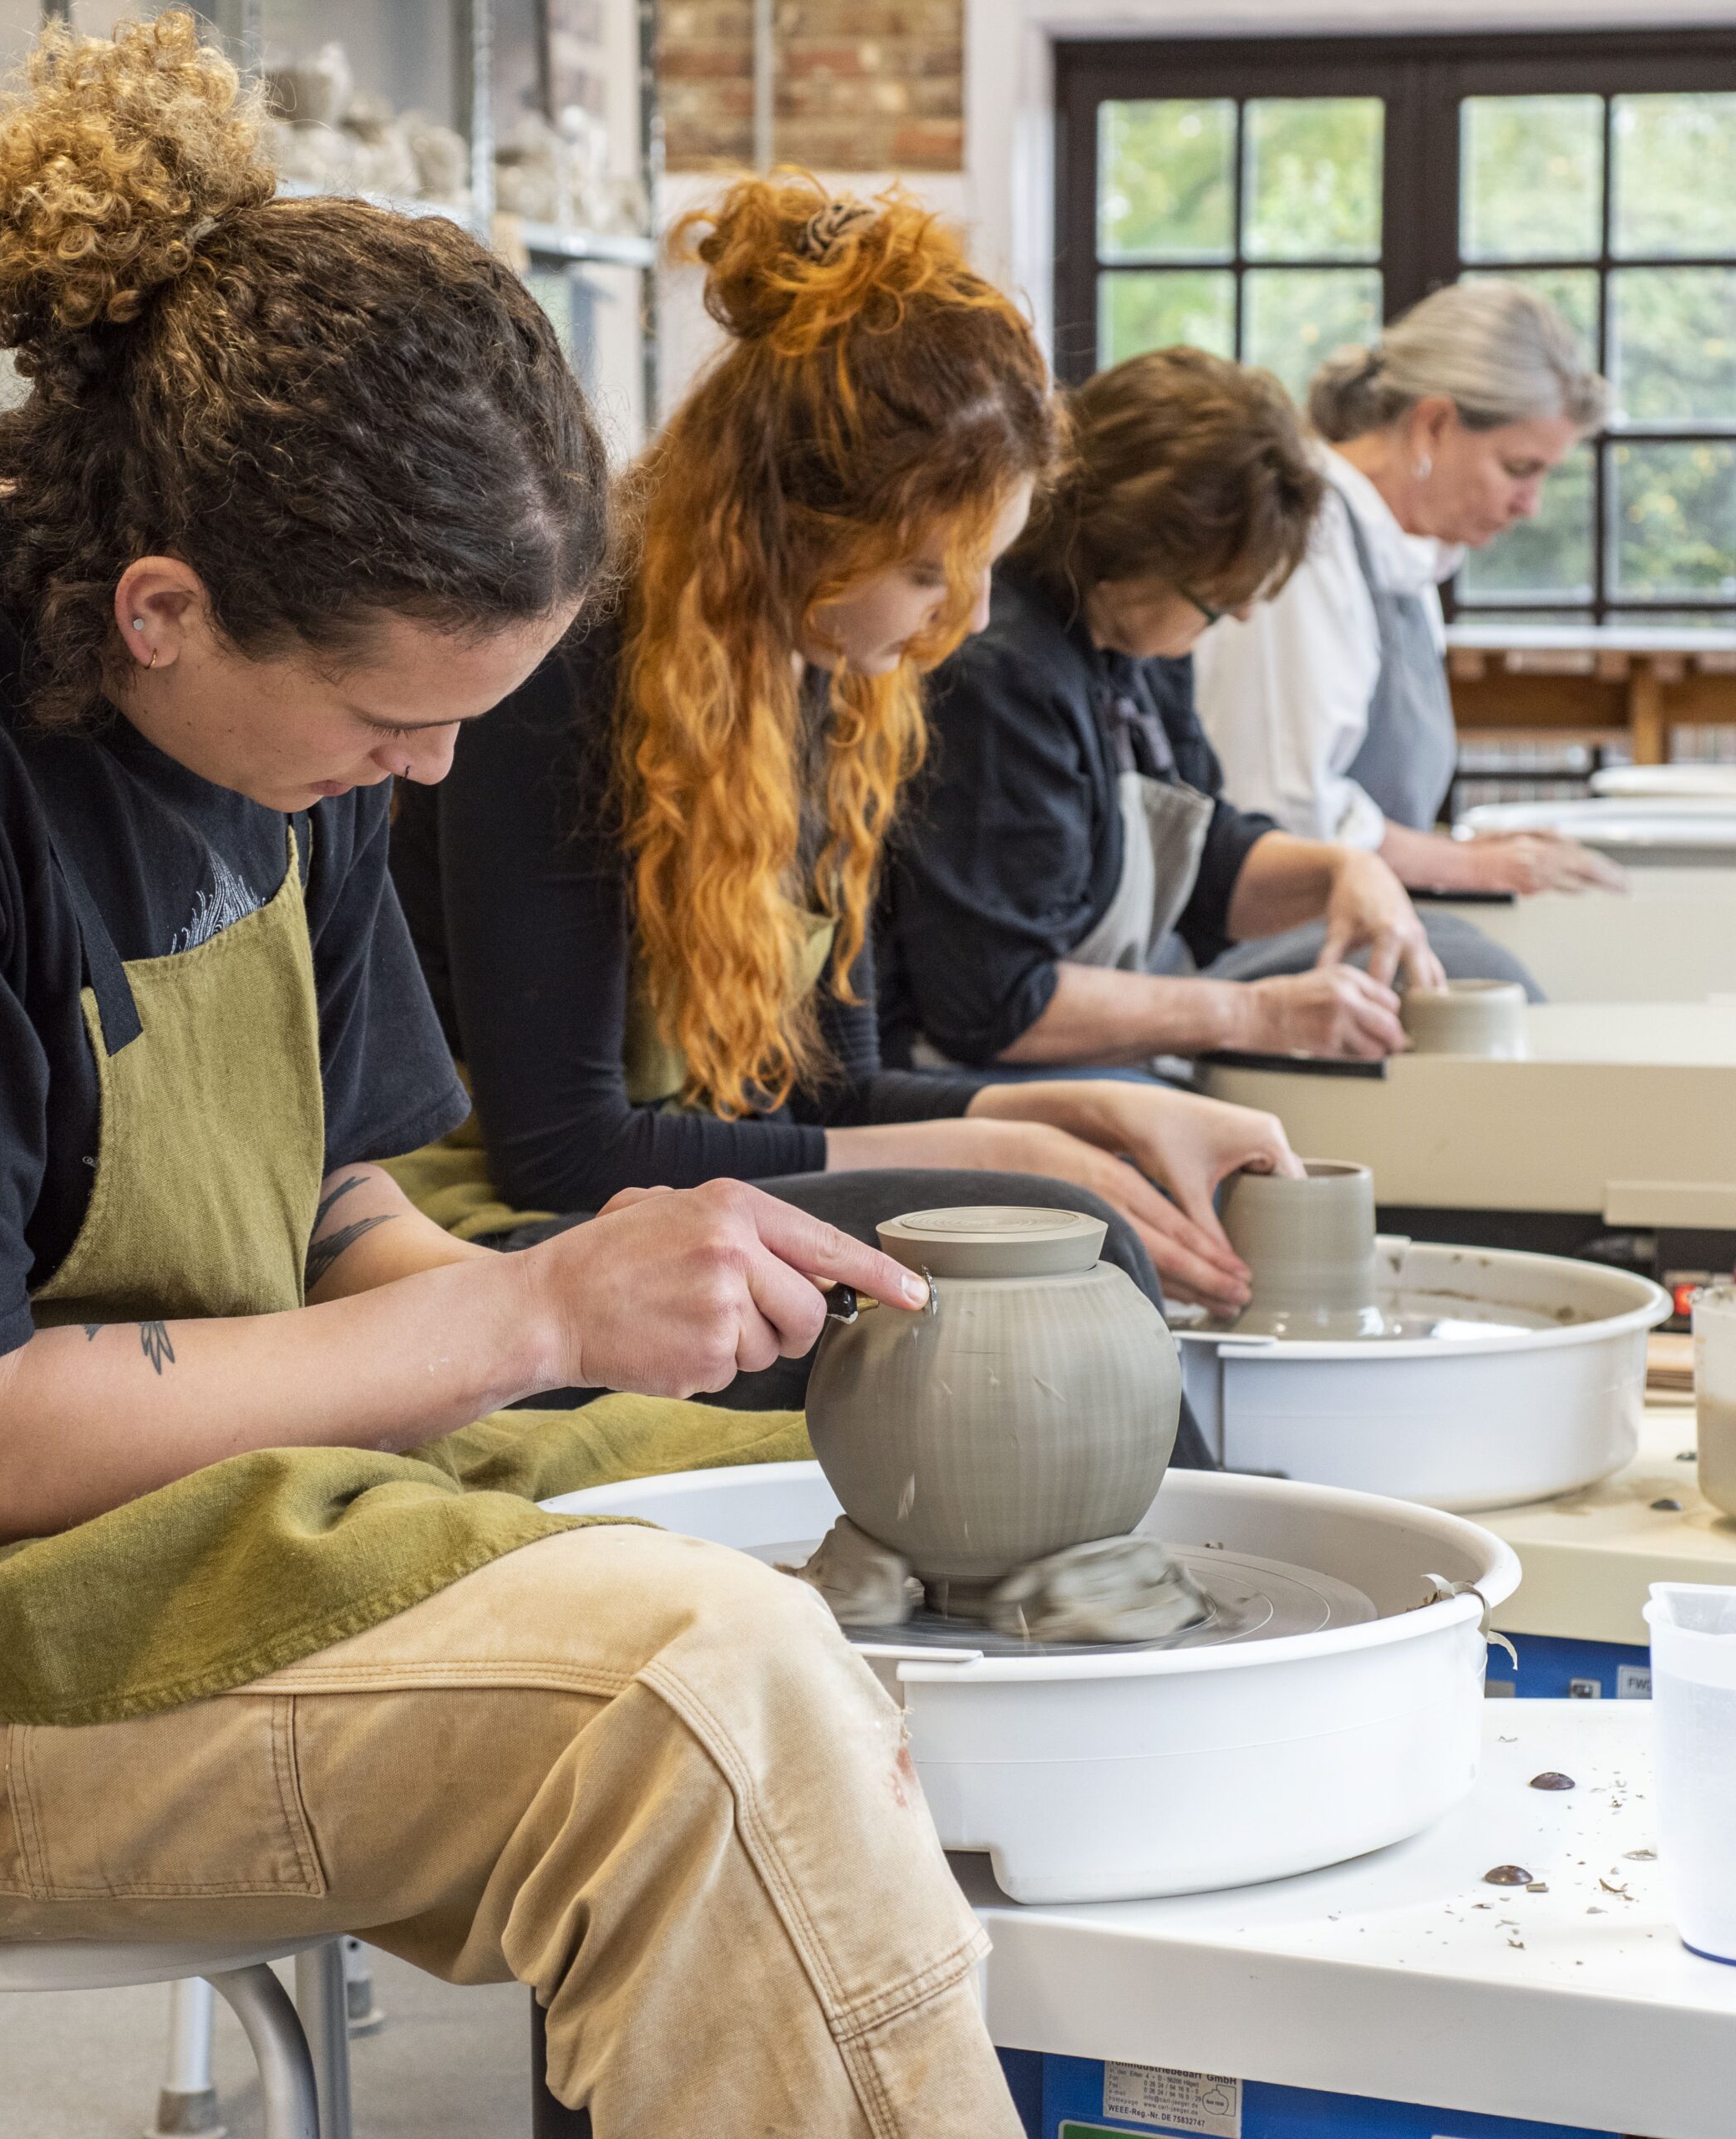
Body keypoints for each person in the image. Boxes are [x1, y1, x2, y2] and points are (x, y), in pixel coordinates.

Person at [0, 23, 1033, 2136]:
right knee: (688, 1701)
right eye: (390, 720)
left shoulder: (301, 716)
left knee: (832, 1538)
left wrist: (611, 1337)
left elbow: (348, 1211)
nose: (428, 774)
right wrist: (526, 1310)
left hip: (150, 1518)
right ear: (161, 608)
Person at [390, 176, 1299, 1363]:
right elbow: (562, 1151)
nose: (967, 623)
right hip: (490, 1243)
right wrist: (1001, 1149)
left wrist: (1093, 1110)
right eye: (928, 574)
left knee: (1069, 1224)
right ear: (786, 527)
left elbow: (824, 1098)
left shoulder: (828, 688)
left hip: (679, 1208)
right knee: (1044, 1267)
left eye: (988, 571)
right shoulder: (568, 674)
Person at [881, 347, 1465, 1077]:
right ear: (1132, 547)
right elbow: (996, 1005)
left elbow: (1205, 862)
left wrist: (1342, 870)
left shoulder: (1134, 645)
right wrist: (1257, 1015)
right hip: (964, 1074)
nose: (1243, 615)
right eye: (1217, 600)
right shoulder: (1002, 676)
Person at [1194, 281, 1624, 902]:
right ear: (1434, 426)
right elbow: (1284, 812)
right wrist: (1466, 866)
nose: (1529, 506)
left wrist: (1473, 853)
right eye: (1518, 468)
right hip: (1272, 930)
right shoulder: (1308, 538)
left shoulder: (1402, 554)